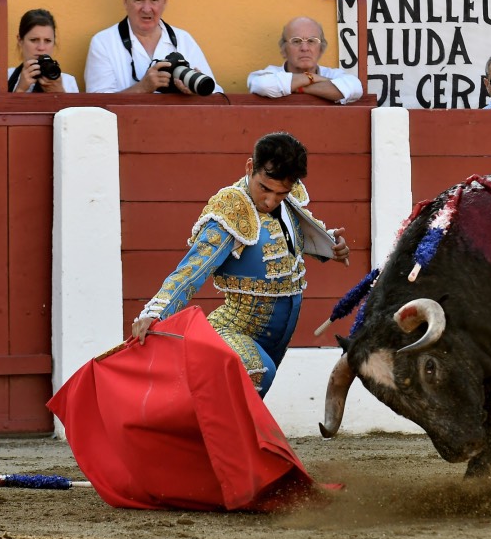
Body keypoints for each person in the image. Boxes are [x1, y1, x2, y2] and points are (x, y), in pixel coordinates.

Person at [131, 132, 350, 398]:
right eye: (264, 188)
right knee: (256, 374)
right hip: (233, 327)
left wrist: (331, 247)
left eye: (280, 194)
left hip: (277, 334)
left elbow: (294, 239)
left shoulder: (288, 201)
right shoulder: (231, 209)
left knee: (251, 397)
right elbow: (192, 270)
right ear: (250, 167)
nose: (270, 201)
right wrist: (155, 312)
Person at [84, 0, 222, 94]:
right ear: (125, 1)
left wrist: (195, 94)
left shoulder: (183, 39)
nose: (147, 8)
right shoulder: (103, 42)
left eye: (154, 0)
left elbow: (215, 93)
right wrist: (142, 89)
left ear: (165, 1)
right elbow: (99, 106)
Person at [0, 9, 79, 112]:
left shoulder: (68, 81)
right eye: (34, 40)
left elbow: (73, 125)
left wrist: (59, 93)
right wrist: (20, 90)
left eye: (47, 41)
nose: (41, 47)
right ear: (20, 40)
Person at [248, 16, 363, 104]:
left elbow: (355, 88)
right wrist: (314, 78)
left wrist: (298, 87)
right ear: (284, 49)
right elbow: (262, 85)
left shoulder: (334, 74)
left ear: (321, 49)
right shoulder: (270, 74)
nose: (304, 48)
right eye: (296, 41)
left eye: (312, 41)